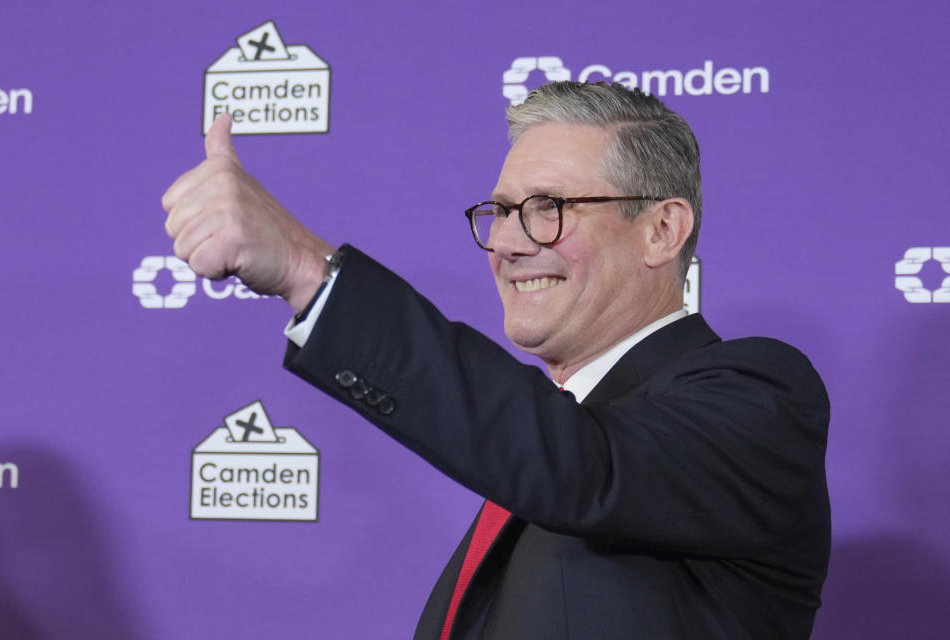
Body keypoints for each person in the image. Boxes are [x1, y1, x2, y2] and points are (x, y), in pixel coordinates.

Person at [163, 81, 830, 639]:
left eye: (548, 209)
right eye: (501, 212)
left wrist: (311, 272)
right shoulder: (545, 451)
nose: (507, 243)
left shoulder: (760, 392)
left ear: (662, 230)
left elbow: (582, 469)